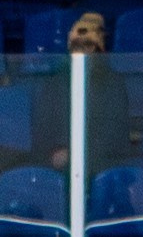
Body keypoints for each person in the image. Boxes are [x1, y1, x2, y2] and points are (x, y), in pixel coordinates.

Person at [33, 12, 133, 176]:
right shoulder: (54, 83)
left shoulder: (114, 84)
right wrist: (55, 154)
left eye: (88, 46)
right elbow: (42, 133)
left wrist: (76, 155)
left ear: (98, 49)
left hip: (101, 168)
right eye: (77, 47)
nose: (81, 53)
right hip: (57, 170)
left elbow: (115, 138)